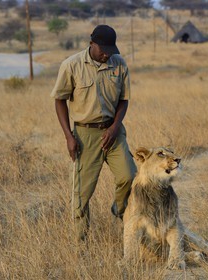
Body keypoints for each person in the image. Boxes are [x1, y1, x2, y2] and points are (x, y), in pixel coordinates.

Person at [51, 25, 137, 242]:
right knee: (81, 195)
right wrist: (69, 137)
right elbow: (59, 100)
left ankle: (119, 209)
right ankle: (81, 243)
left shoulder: (119, 64)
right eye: (103, 49)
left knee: (129, 176)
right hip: (84, 135)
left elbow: (124, 100)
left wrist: (115, 126)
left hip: (113, 132)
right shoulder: (71, 65)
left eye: (110, 50)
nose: (106, 54)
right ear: (92, 44)